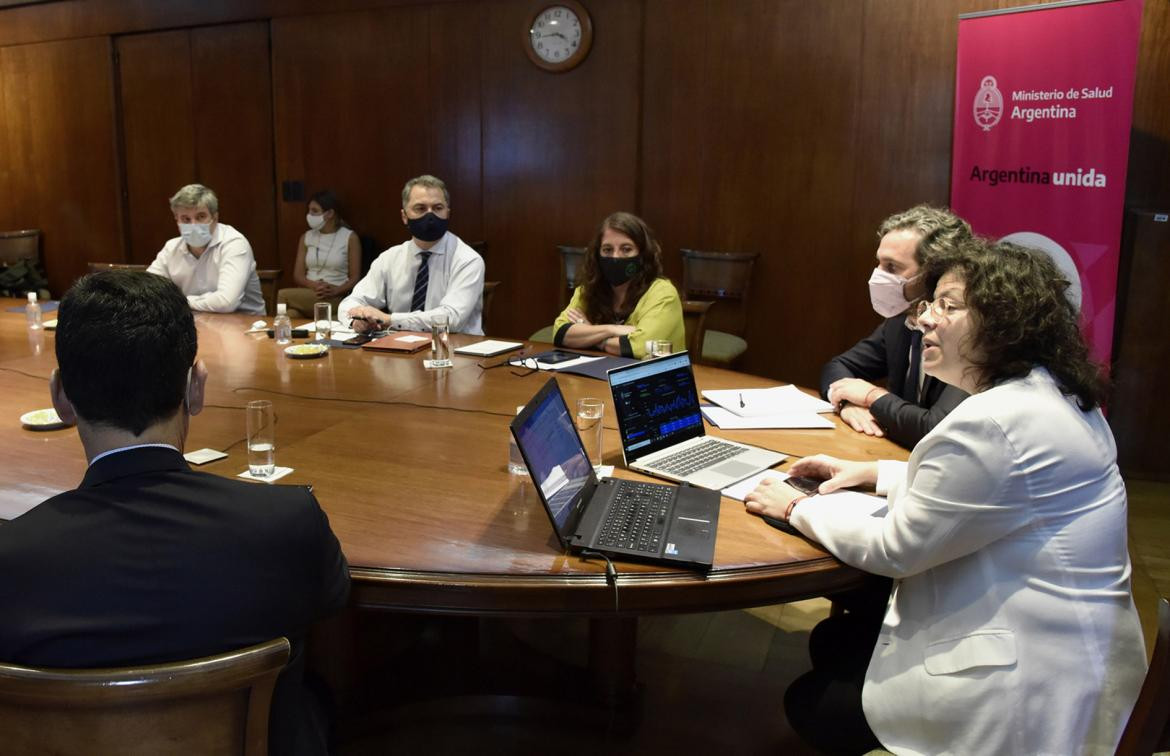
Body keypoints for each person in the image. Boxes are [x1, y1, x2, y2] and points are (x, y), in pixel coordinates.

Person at [745, 241, 1147, 755]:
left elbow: (897, 549)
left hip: (1029, 698)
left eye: (948, 306)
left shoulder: (994, 423)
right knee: (835, 642)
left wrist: (796, 506)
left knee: (816, 702)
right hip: (1075, 655)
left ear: (1004, 321)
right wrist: (875, 472)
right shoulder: (1050, 394)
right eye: (928, 304)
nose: (923, 321)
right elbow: (993, 491)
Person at [0, 271, 350, 756]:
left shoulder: (12, 559)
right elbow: (333, 601)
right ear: (196, 387)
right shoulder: (286, 522)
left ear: (61, 398)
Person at [821, 204, 972, 448]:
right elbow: (838, 366)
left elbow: (936, 428)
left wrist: (872, 397)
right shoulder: (900, 320)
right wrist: (846, 403)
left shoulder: (967, 335)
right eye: (879, 263)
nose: (877, 276)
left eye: (891, 267)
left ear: (933, 274)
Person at [339, 174, 484, 335]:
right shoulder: (390, 258)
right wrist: (357, 319)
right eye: (420, 208)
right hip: (399, 350)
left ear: (447, 213)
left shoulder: (467, 259)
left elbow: (452, 319)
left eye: (438, 208)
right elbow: (350, 303)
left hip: (455, 350)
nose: (430, 216)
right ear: (404, 216)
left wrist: (390, 320)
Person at [551, 211, 683, 358]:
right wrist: (612, 329)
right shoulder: (588, 289)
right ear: (597, 254)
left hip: (650, 378)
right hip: (598, 375)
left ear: (642, 255)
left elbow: (639, 347)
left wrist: (591, 334)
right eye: (607, 250)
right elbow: (560, 333)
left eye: (626, 249)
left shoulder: (663, 293)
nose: (615, 257)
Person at [147, 183, 266, 314]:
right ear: (177, 221)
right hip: (195, 324)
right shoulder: (171, 248)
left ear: (215, 218)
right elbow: (146, 290)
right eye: (186, 219)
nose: (193, 224)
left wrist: (180, 301)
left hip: (246, 326)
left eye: (200, 217)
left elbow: (226, 302)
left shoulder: (234, 243)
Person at [277, 190, 362, 319]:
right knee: (290, 315)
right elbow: (298, 275)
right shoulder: (306, 237)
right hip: (309, 293)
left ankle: (275, 330)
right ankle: (279, 333)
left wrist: (335, 291)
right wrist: (315, 286)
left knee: (283, 295)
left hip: (335, 295)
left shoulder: (349, 237)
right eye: (309, 210)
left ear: (330, 214)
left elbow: (355, 277)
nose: (309, 215)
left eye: (315, 211)